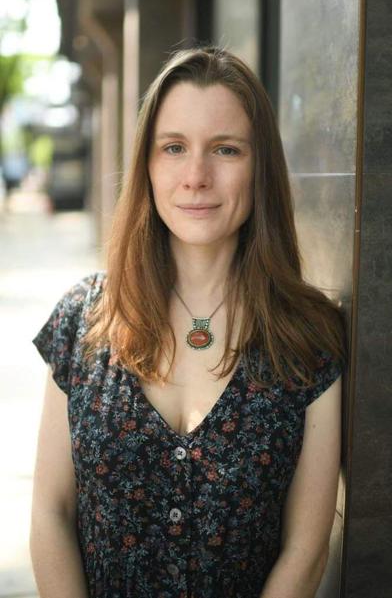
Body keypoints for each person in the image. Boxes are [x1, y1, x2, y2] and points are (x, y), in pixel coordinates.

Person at [30, 46, 347, 598]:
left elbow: (307, 547)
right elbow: (50, 512)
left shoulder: (308, 335)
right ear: (147, 166)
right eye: (174, 147)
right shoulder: (83, 319)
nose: (196, 176)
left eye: (225, 149)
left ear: (260, 168)